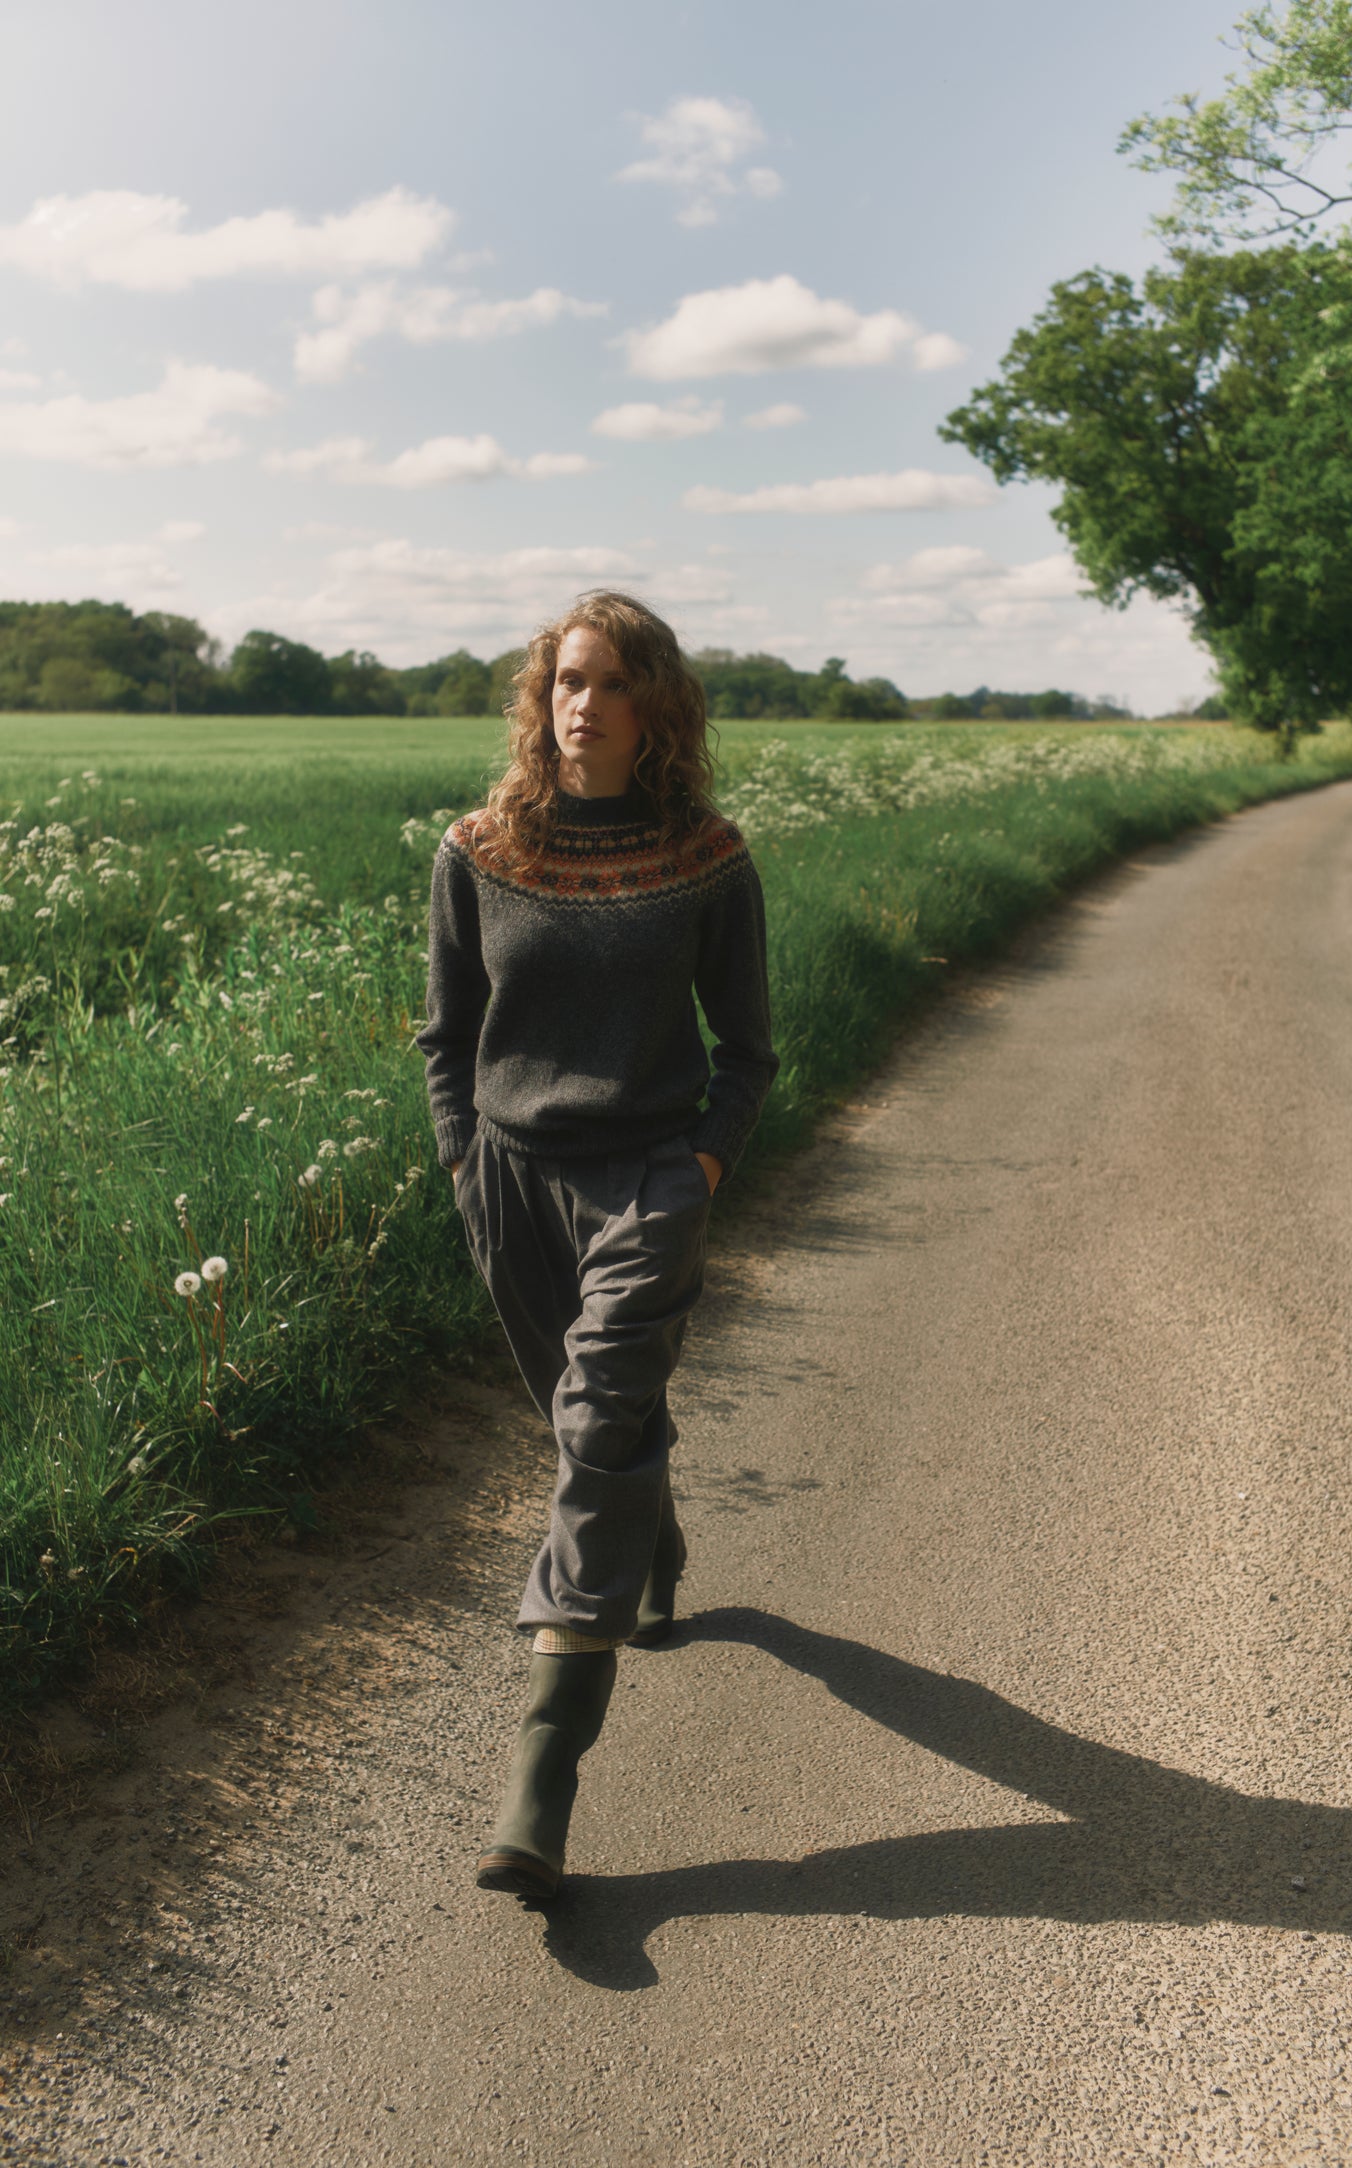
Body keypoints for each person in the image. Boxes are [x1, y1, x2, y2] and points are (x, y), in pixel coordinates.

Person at [416, 589, 778, 1900]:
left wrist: (699, 1165)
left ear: (654, 707)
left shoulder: (706, 858)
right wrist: (464, 1163)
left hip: (642, 1181)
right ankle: (654, 1538)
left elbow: (748, 1050)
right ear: (541, 697)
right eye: (564, 680)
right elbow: (445, 1036)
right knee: (597, 1429)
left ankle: (542, 1782)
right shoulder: (478, 848)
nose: (580, 702)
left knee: (595, 1420)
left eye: (608, 682)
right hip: (509, 1184)